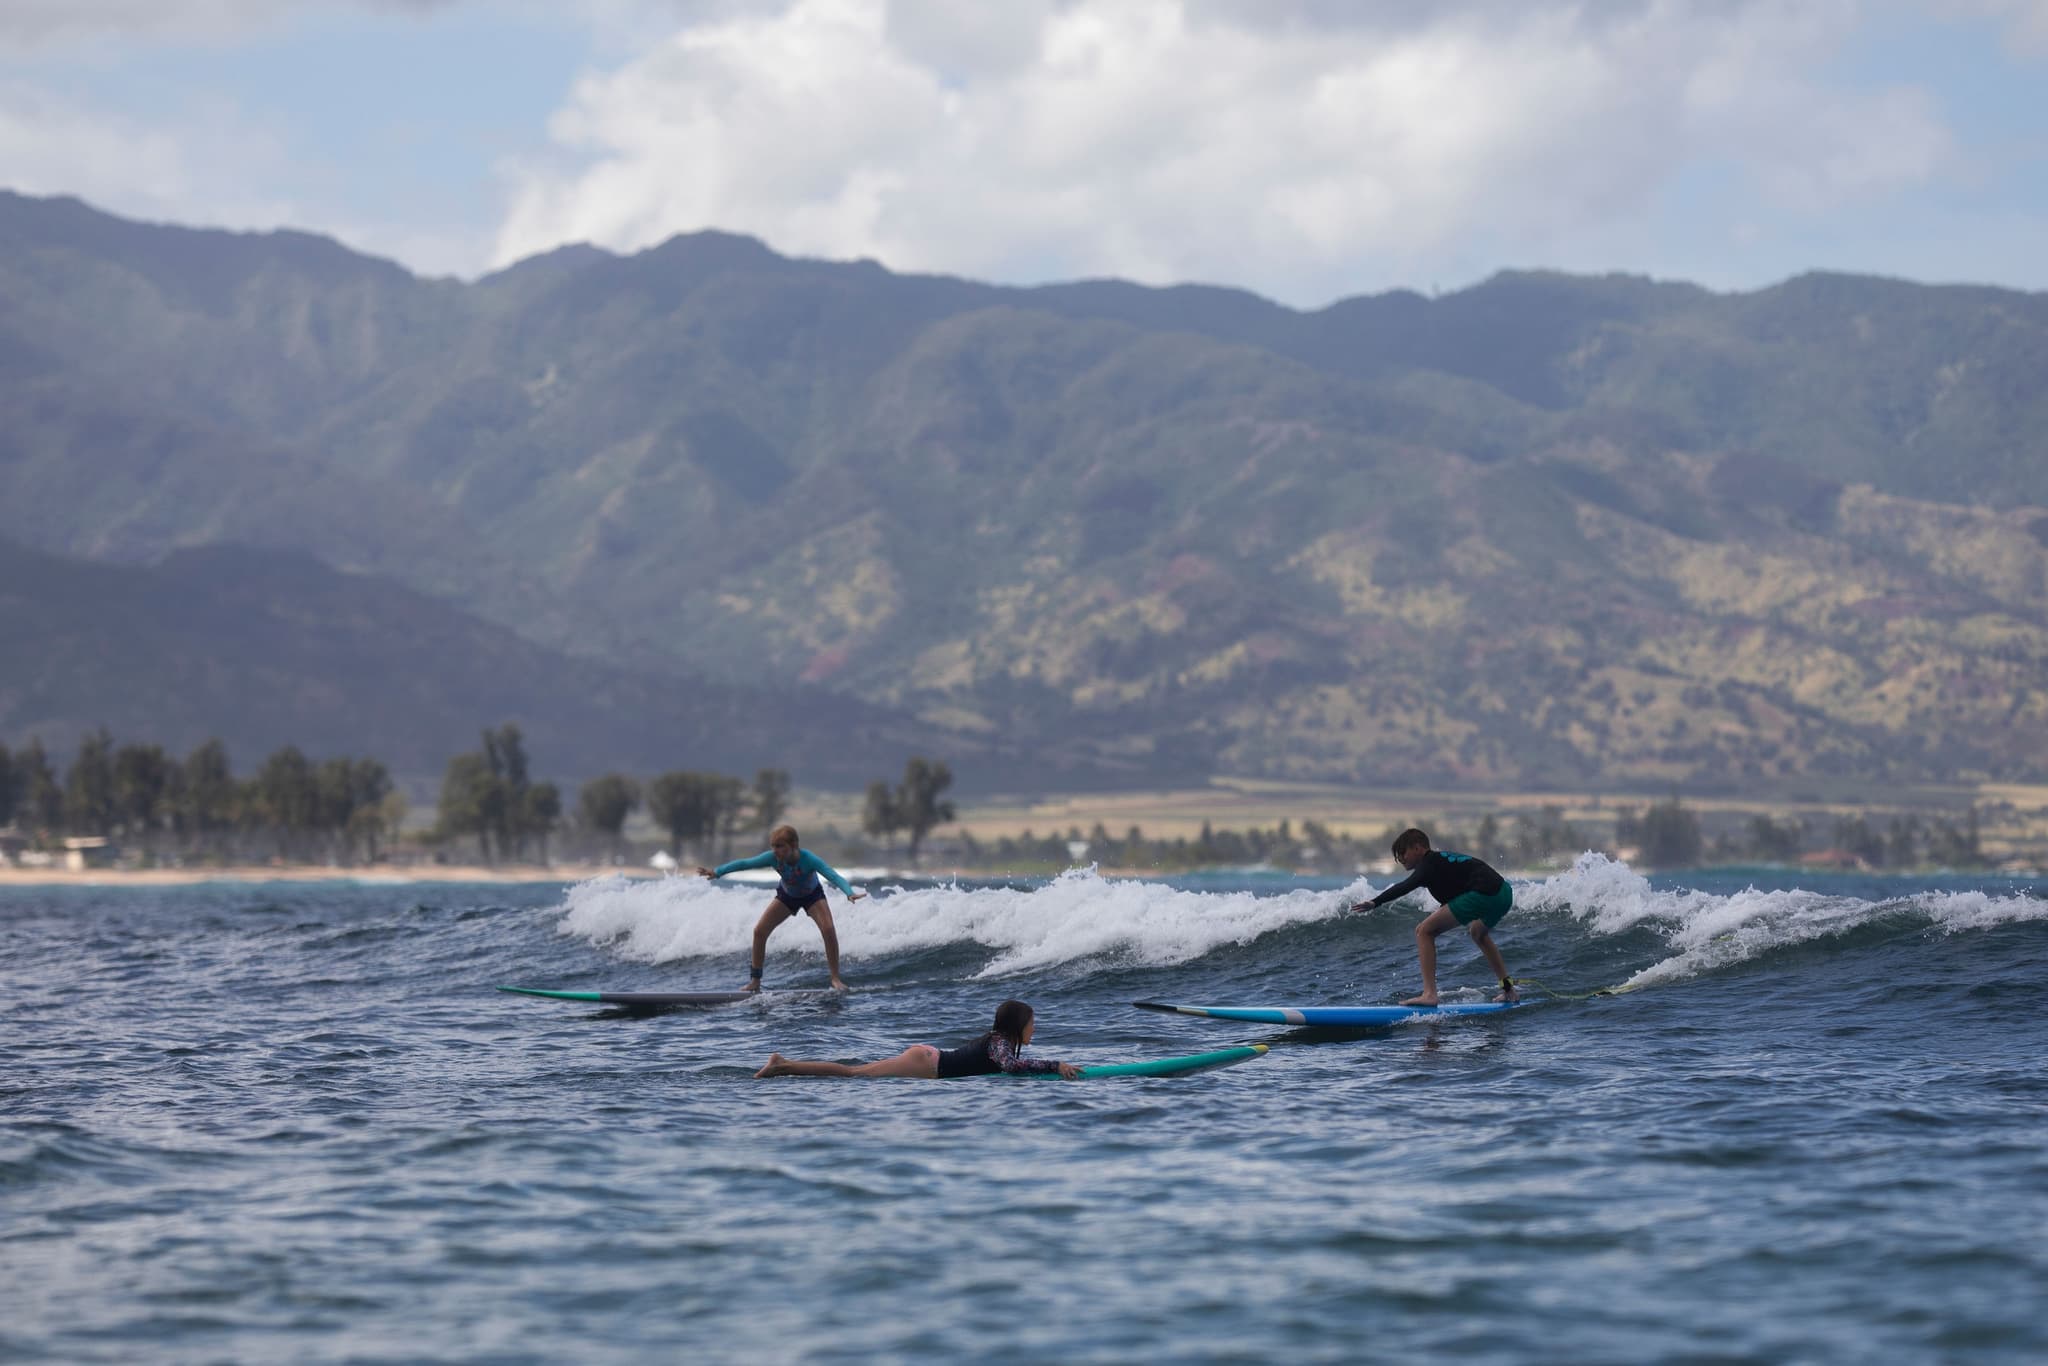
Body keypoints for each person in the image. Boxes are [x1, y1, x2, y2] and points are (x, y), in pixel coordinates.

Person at [1350, 827, 1517, 1005]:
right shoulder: (1441, 862)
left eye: (1402, 853)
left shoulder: (1427, 865)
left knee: (1424, 931)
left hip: (1483, 894)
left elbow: (1405, 886)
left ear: (1417, 848)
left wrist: (1376, 902)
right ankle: (1509, 990)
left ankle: (1429, 994)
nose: (1400, 859)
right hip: (1503, 893)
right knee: (1478, 933)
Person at [698, 824, 865, 992]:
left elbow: (833, 875)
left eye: (780, 846)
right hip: (787, 896)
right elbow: (744, 864)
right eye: (773, 846)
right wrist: (718, 872)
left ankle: (835, 979)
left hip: (812, 896)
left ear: (793, 845)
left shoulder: (809, 859)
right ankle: (755, 982)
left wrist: (849, 892)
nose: (775, 851)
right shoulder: (773, 858)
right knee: (759, 931)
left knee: (828, 929)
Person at [755, 999, 1082, 1079]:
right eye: (1032, 1024)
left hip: (928, 1059)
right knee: (853, 1074)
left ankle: (785, 1065)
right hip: (926, 1063)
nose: (1035, 1029)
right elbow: (1010, 1067)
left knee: (854, 1072)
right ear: (1018, 1025)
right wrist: (1056, 1065)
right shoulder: (1000, 1044)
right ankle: (783, 1066)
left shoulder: (999, 1041)